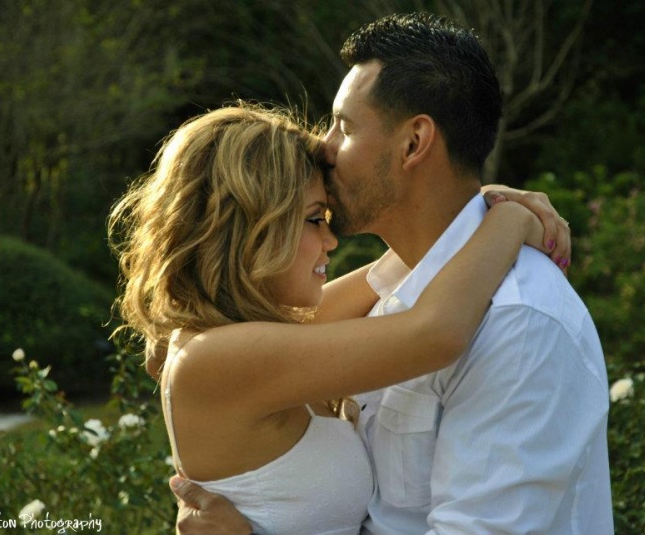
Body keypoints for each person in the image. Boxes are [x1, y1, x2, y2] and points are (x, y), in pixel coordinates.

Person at [169, 12, 614, 535]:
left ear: (413, 143)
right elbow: (428, 328)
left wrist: (496, 216)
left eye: (344, 126)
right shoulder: (394, 306)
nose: (324, 147)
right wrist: (504, 217)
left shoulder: (517, 322)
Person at [108, 99, 567, 535]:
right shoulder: (217, 356)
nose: (331, 241)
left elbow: (389, 274)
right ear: (247, 228)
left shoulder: (237, 337)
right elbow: (434, 334)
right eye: (313, 220)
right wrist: (508, 222)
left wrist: (476, 209)